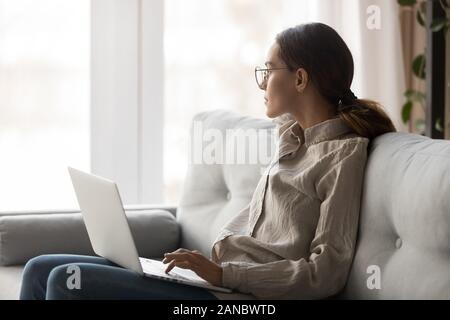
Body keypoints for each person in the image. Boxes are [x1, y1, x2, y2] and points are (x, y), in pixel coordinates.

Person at [20, 22, 396, 300]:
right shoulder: (290, 139)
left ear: (300, 79)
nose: (262, 84)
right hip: (215, 281)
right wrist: (205, 268)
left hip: (241, 298)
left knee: (66, 282)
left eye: (268, 71)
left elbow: (325, 273)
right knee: (40, 268)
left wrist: (222, 274)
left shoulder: (342, 155)